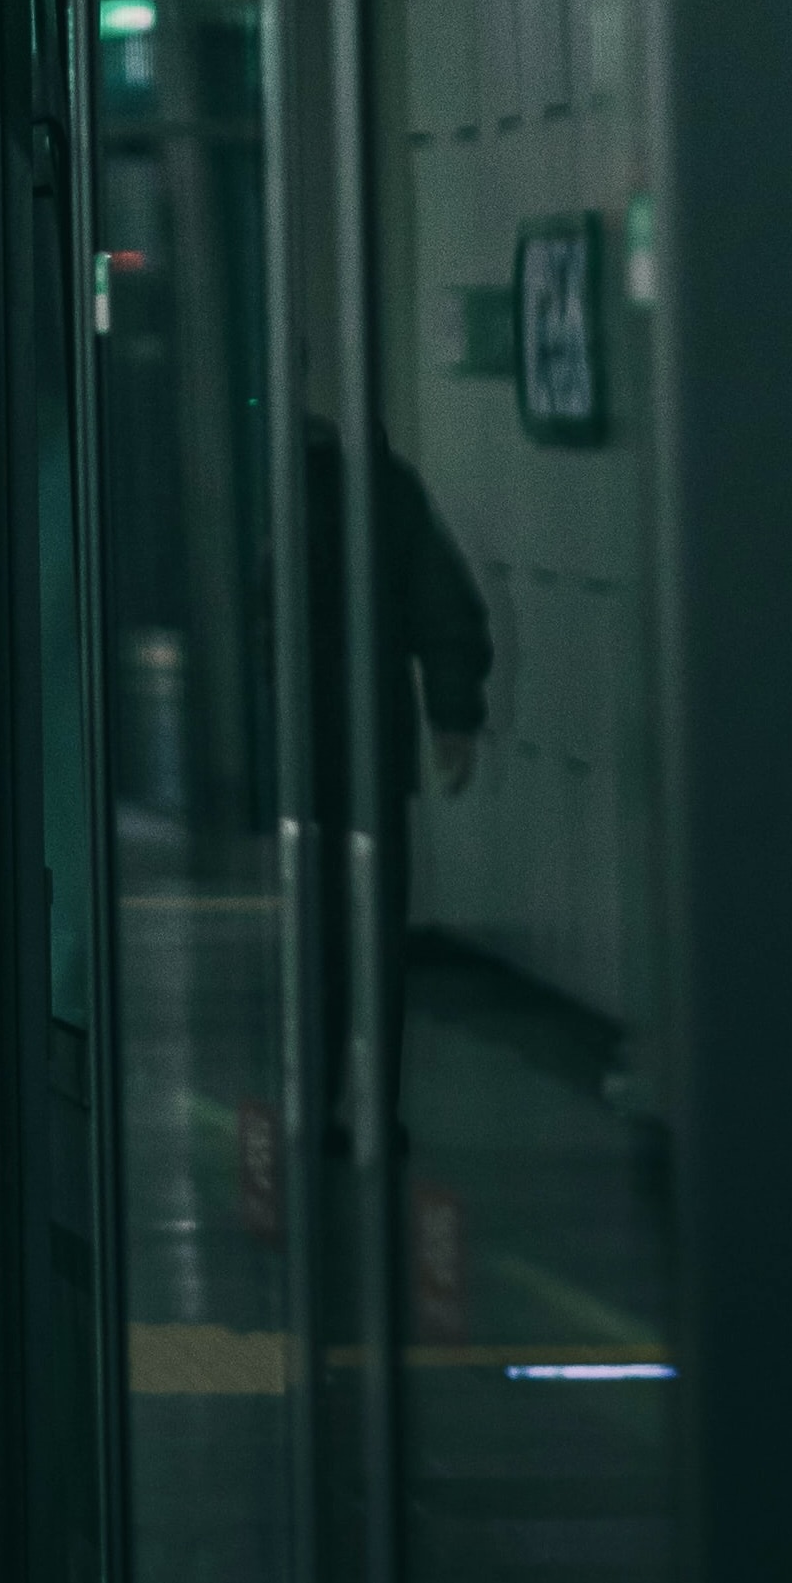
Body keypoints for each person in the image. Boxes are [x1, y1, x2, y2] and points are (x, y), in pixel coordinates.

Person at [305, 413, 491, 1145]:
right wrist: (452, 714)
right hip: (370, 744)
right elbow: (442, 604)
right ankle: (371, 1107)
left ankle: (316, 1101)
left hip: (311, 748)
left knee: (321, 934)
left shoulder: (289, 491)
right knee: (372, 932)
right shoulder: (386, 489)